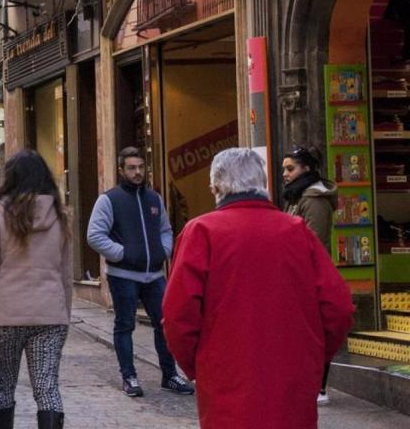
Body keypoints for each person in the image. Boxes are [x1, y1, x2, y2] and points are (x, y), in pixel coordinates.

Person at [163, 148, 354, 428]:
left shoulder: (201, 232)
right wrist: (312, 356)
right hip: (292, 378)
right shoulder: (297, 232)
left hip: (225, 377)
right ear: (261, 184)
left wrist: (199, 365)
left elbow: (178, 315)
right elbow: (338, 308)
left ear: (216, 186)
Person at [0, 150, 74, 429]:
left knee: (3, 387)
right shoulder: (60, 215)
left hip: (4, 317)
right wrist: (64, 313)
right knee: (47, 388)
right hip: (49, 316)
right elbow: (66, 273)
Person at [86, 146, 193, 397]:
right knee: (125, 325)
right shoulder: (109, 199)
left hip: (155, 275)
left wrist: (163, 250)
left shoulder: (154, 199)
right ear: (121, 170)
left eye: (141, 167)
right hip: (123, 276)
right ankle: (129, 377)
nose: (137, 172)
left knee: (165, 325)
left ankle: (170, 375)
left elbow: (165, 229)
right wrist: (122, 254)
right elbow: (94, 235)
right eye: (132, 168)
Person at [281, 144, 339, 404]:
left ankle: (319, 388)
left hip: (311, 277)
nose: (285, 173)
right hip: (297, 275)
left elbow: (314, 244)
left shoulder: (313, 200)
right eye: (284, 168)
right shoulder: (298, 197)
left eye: (290, 169)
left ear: (306, 169)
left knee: (315, 333)